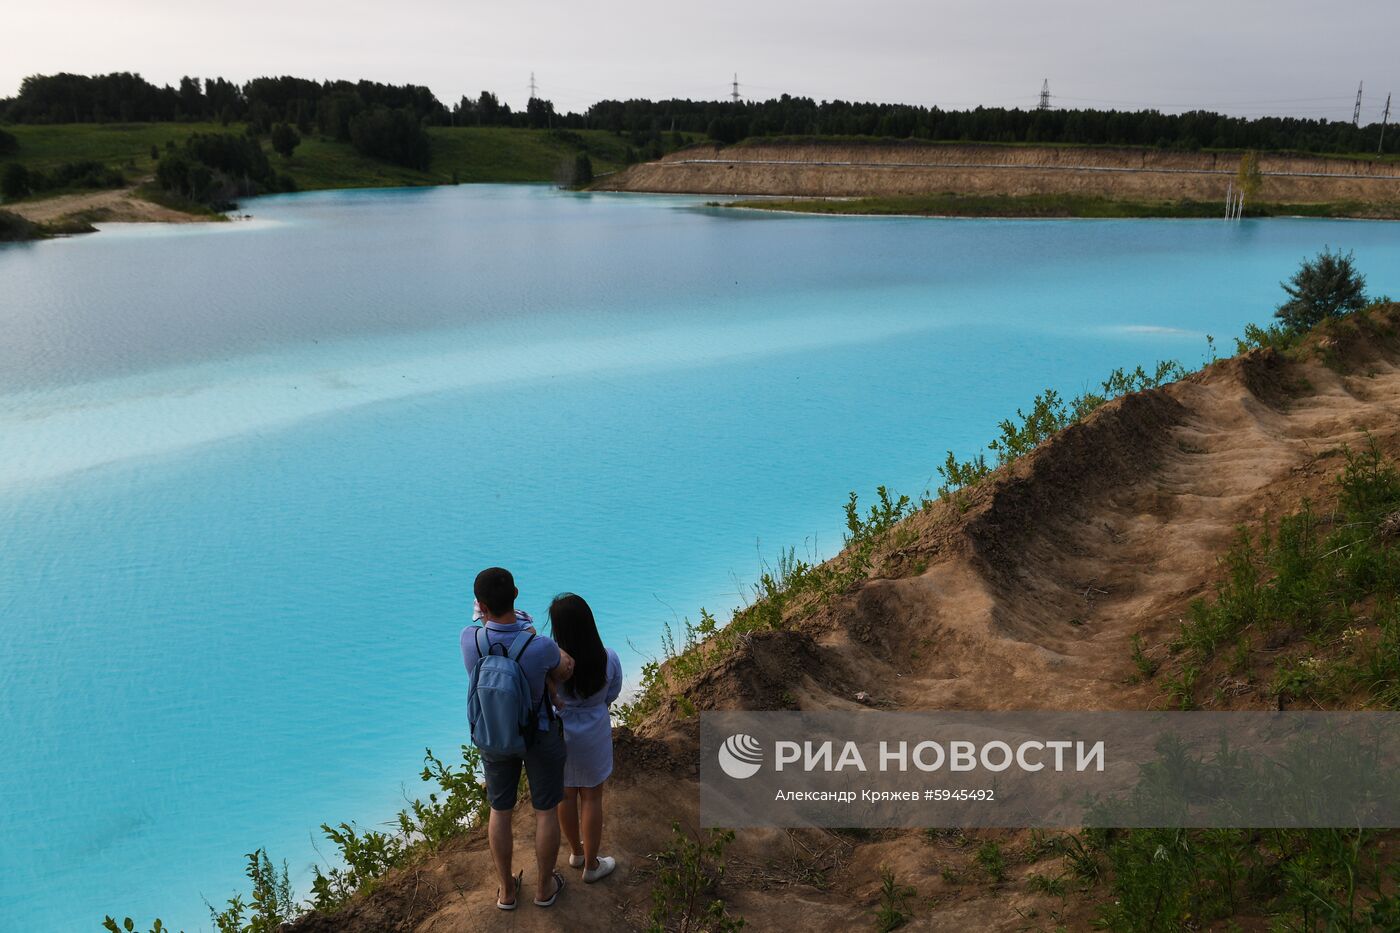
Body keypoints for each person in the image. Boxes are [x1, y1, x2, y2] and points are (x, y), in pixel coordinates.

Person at [461, 567, 574, 910]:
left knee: (500, 810)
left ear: (479, 605)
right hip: (538, 733)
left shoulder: (470, 638)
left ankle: (506, 891)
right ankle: (543, 889)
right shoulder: (538, 645)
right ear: (516, 594)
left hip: (493, 733)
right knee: (545, 812)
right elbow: (565, 667)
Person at [548, 593, 623, 883]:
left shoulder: (551, 665)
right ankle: (592, 865)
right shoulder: (608, 658)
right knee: (592, 797)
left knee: (565, 796)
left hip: (562, 734)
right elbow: (612, 693)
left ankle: (577, 852)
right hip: (594, 733)